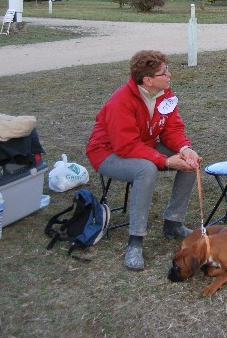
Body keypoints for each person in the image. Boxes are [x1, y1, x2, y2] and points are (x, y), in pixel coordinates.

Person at [86, 50, 202, 270]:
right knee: (146, 169)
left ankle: (173, 223)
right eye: (164, 72)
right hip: (107, 153)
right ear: (148, 80)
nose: (169, 75)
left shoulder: (164, 94)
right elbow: (126, 145)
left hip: (142, 145)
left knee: (189, 163)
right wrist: (165, 161)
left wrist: (185, 149)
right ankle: (135, 242)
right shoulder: (121, 100)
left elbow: (172, 129)